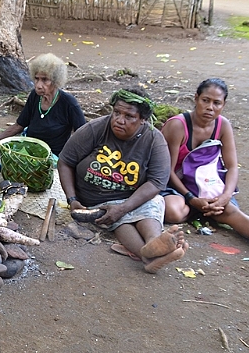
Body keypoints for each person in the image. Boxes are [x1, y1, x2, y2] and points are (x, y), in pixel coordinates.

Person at [161, 78, 249, 266]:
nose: (210, 107)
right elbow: (167, 171)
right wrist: (191, 198)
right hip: (177, 185)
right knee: (173, 212)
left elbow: (232, 166)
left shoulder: (223, 125)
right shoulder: (177, 126)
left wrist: (225, 196)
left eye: (217, 103)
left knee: (230, 210)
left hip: (205, 183)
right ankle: (202, 211)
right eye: (205, 100)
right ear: (196, 98)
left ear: (223, 105)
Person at [58, 88, 187, 273]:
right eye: (116, 112)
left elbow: (157, 182)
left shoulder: (154, 140)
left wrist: (124, 207)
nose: (119, 120)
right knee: (118, 220)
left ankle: (153, 244)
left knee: (153, 204)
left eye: (129, 116)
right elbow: (65, 161)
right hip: (96, 199)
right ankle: (147, 254)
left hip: (133, 197)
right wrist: (72, 199)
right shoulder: (95, 129)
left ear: (143, 119)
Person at [0, 53, 86, 156]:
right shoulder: (35, 96)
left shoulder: (69, 103)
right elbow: (19, 125)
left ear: (55, 81)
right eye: (37, 79)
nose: (38, 85)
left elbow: (83, 135)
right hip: (28, 150)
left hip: (53, 156)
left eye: (45, 80)